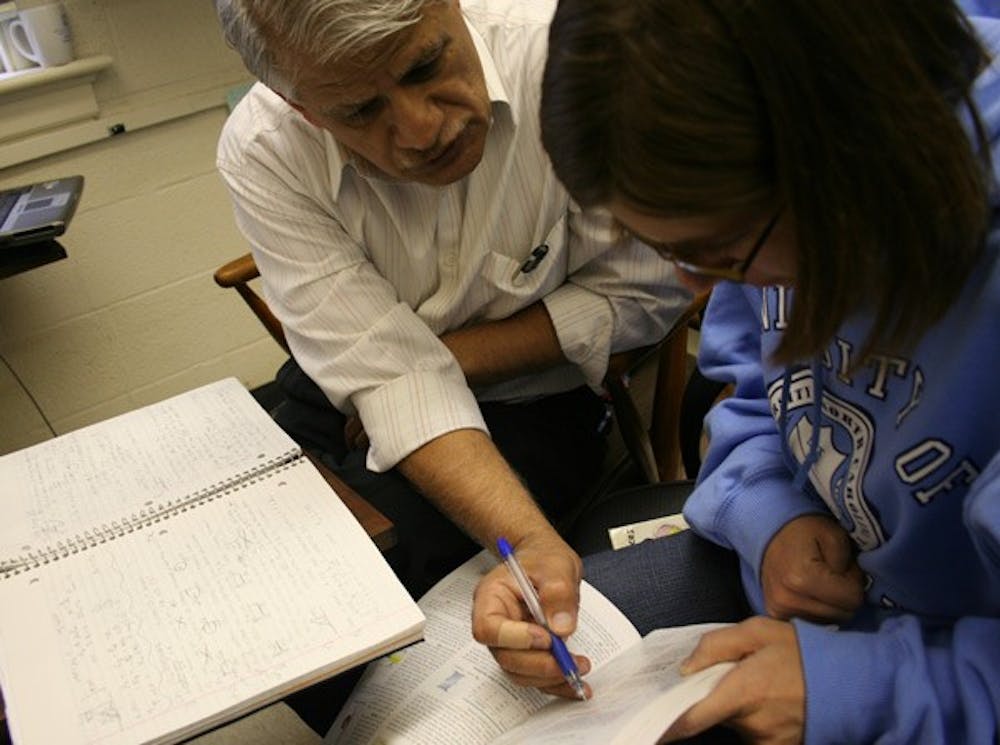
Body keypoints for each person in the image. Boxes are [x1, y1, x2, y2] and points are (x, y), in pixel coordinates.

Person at [472, 1, 1000, 742]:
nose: (697, 289)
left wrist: (863, 689)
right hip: (816, 593)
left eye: (720, 250)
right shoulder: (779, 201)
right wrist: (772, 516)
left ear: (858, 154)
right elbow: (756, 398)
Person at [213, 0, 687, 733]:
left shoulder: (566, 56)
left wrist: (526, 537)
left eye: (427, 66)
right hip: (345, 375)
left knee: (381, 580)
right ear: (297, 105)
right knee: (245, 546)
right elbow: (385, 375)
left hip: (535, 398)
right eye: (359, 110)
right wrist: (402, 370)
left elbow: (646, 289)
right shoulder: (263, 149)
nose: (421, 130)